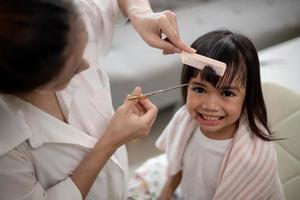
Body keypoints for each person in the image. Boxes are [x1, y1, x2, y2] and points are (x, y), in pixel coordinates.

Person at [0, 0, 195, 199]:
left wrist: (141, 13)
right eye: (72, 66)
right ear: (35, 78)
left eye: (84, 47)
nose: (86, 64)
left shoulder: (69, 15)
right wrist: (110, 142)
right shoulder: (6, 146)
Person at [155, 30, 286, 200]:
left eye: (228, 93)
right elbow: (177, 166)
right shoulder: (184, 122)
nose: (210, 106)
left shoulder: (253, 158)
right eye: (199, 89)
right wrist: (165, 194)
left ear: (248, 96)